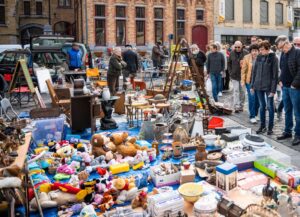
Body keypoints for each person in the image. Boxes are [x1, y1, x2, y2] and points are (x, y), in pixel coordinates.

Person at [275, 36, 300, 146]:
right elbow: (282, 68)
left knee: (297, 113)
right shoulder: (283, 54)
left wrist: (295, 84)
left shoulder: (297, 52)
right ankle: (287, 131)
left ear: (286, 43)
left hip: (295, 87)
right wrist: (280, 80)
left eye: (281, 47)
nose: (281, 50)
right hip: (285, 86)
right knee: (287, 111)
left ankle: (298, 134)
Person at [251, 40, 278, 135]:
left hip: (269, 86)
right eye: (260, 49)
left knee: (270, 107)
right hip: (258, 86)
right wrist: (252, 86)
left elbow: (275, 75)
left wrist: (273, 90)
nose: (260, 51)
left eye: (262, 49)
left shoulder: (273, 58)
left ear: (268, 49)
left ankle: (270, 127)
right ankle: (262, 126)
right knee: (262, 106)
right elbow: (254, 72)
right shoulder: (258, 57)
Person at [241, 43, 260, 124]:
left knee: (258, 100)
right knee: (252, 99)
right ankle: (252, 116)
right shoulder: (246, 58)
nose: (254, 52)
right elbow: (243, 70)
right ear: (250, 51)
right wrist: (243, 81)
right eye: (253, 51)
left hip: (259, 82)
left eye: (256, 51)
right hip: (250, 81)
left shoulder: (261, 57)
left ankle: (255, 114)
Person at [228, 41, 248, 112]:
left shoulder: (246, 53)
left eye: (238, 47)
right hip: (234, 75)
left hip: (243, 76)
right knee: (236, 91)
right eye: (235, 47)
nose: (237, 48)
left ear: (241, 46)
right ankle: (236, 106)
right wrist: (230, 72)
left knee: (242, 91)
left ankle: (241, 105)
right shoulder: (232, 53)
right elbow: (229, 63)